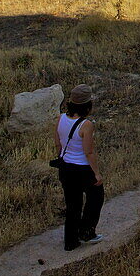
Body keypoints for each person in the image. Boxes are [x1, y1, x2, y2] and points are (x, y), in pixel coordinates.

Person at [53, 84, 105, 251]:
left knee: (72, 204)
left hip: (65, 168)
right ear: (87, 105)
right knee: (96, 198)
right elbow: (89, 152)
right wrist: (96, 173)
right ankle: (87, 232)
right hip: (82, 169)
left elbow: (57, 143)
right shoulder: (86, 124)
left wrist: (62, 158)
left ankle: (70, 241)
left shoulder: (60, 118)